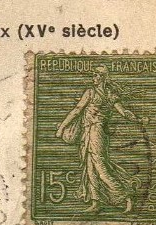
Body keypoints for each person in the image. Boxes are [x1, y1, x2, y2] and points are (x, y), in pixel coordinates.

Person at [55, 65, 148, 213]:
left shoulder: (92, 93)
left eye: (96, 75)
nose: (93, 78)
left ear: (103, 77)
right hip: (93, 132)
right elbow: (124, 112)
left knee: (100, 166)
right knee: (90, 167)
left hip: (95, 131)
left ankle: (126, 195)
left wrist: (61, 128)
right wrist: (138, 120)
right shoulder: (110, 95)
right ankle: (95, 203)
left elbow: (77, 110)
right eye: (93, 75)